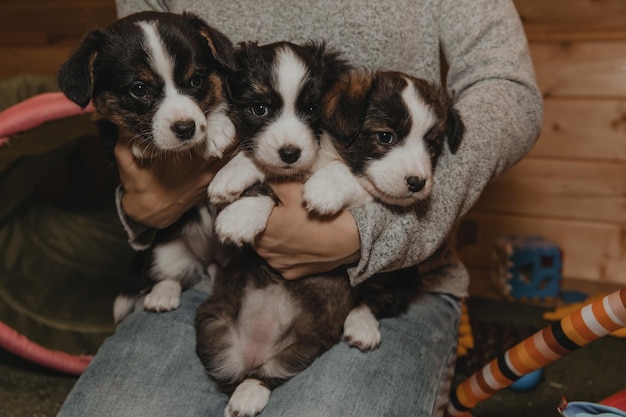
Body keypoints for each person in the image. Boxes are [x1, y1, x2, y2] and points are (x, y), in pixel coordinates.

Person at [57, 0, 543, 416]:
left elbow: (508, 91)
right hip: (218, 272)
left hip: (395, 284)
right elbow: (138, 117)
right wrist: (153, 199)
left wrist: (370, 232)